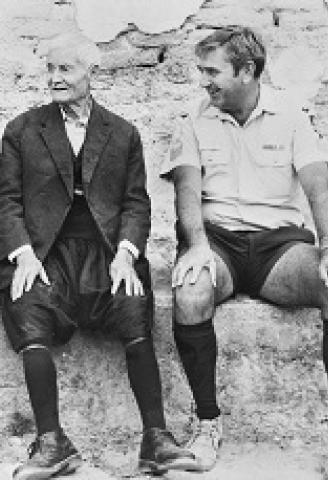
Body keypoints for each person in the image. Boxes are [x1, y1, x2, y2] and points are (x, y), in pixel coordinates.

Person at [0, 31, 193, 480]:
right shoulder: (22, 130)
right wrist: (23, 256)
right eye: (50, 69)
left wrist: (126, 253)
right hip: (45, 251)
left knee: (131, 301)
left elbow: (136, 204)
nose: (55, 78)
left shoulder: (122, 134)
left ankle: (155, 438)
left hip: (105, 251)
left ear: (92, 72)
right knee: (28, 304)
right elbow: (6, 203)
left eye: (65, 69)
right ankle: (51, 441)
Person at [160, 25, 328, 472]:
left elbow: (317, 185)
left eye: (212, 71)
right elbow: (187, 190)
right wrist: (195, 246)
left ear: (247, 70)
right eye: (201, 71)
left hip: (279, 248)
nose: (204, 81)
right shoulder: (195, 119)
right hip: (219, 245)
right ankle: (207, 425)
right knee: (191, 290)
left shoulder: (291, 116)